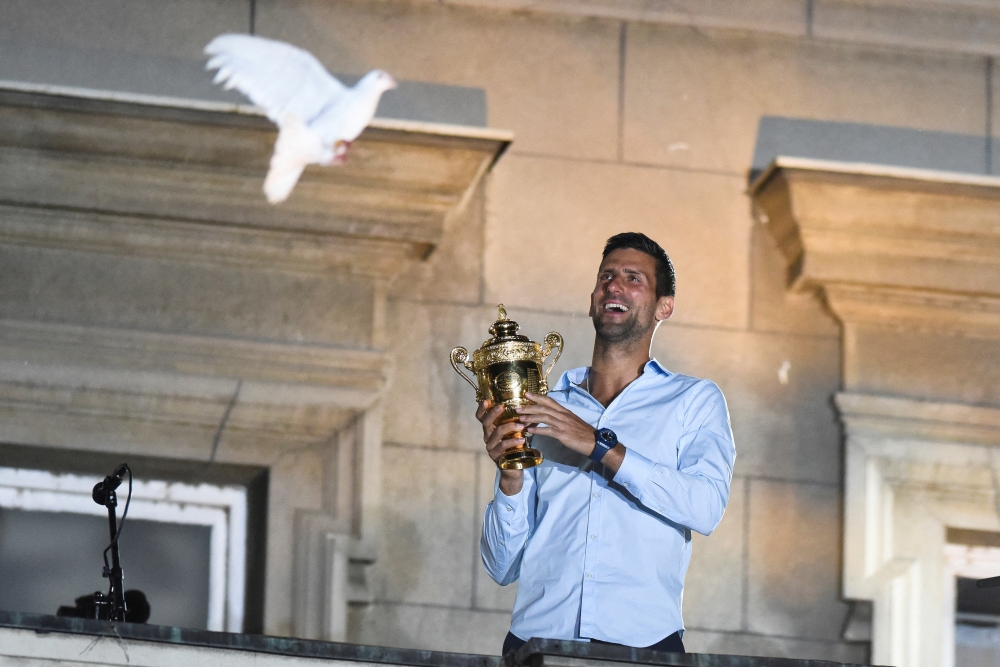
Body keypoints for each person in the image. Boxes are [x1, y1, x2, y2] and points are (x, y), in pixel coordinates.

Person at [479, 232, 736, 656]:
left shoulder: (693, 400)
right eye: (606, 277)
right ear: (594, 298)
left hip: (644, 646)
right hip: (535, 645)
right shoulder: (544, 408)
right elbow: (502, 567)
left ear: (663, 306)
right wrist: (509, 478)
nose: (613, 286)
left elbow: (705, 507)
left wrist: (600, 446)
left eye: (633, 278)